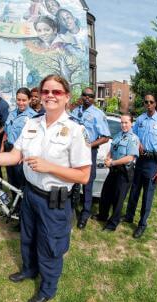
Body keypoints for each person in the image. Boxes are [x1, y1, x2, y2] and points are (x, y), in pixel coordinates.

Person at [0, 74, 91, 302]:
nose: (50, 96)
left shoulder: (76, 130)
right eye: (46, 91)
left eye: (56, 92)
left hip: (55, 201)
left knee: (50, 246)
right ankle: (29, 270)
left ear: (66, 97)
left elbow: (84, 176)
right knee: (27, 238)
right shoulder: (32, 123)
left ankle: (48, 288)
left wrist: (50, 168)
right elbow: (15, 156)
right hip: (31, 194)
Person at [122, 94, 157, 238]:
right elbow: (133, 134)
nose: (148, 104)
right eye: (146, 102)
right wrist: (139, 143)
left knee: (147, 195)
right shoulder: (141, 120)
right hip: (140, 160)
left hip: (153, 163)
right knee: (135, 190)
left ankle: (142, 224)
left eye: (151, 102)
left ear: (156, 103)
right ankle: (129, 216)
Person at [71, 87, 111, 230]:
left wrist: (89, 145)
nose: (87, 98)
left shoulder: (98, 114)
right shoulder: (76, 111)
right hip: (74, 151)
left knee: (87, 184)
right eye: (85, 95)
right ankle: (71, 210)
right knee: (72, 181)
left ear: (94, 98)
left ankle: (85, 214)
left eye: (90, 96)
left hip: (89, 152)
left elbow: (106, 137)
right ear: (82, 96)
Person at [96, 114, 139, 231]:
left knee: (118, 199)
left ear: (131, 123)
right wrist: (107, 157)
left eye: (126, 123)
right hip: (113, 170)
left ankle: (112, 224)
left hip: (124, 173)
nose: (123, 125)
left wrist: (113, 163)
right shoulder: (118, 135)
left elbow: (130, 157)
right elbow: (112, 149)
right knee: (106, 193)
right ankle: (102, 216)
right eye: (122, 122)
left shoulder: (133, 138)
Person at [2, 87, 37, 189]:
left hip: (21, 153)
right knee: (11, 181)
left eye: (24, 100)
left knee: (21, 181)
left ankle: (22, 204)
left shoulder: (33, 117)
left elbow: (34, 140)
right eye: (18, 100)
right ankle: (14, 204)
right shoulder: (12, 113)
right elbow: (6, 133)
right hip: (9, 149)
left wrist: (24, 155)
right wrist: (2, 148)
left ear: (29, 100)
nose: (21, 103)